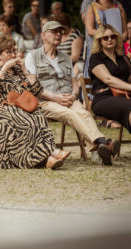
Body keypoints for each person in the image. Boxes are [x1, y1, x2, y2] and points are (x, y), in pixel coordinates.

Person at [25, 21, 119, 165]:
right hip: (45, 102)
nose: (58, 34)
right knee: (69, 114)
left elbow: (74, 83)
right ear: (43, 35)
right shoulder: (32, 57)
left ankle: (100, 152)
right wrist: (56, 98)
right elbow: (33, 86)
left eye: (60, 32)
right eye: (54, 31)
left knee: (84, 113)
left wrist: (74, 95)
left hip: (69, 98)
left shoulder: (66, 57)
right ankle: (104, 142)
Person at [0, 34, 68, 169]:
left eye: (14, 51)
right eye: (8, 52)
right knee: (27, 120)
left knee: (38, 115)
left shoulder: (17, 70)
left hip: (19, 107)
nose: (13, 54)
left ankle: (47, 156)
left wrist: (25, 71)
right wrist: (3, 70)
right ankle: (47, 156)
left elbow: (36, 90)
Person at [88, 24, 131, 148]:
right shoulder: (95, 58)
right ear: (99, 41)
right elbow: (108, 79)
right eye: (105, 38)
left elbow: (128, 78)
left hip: (123, 96)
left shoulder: (123, 58)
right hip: (103, 98)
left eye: (112, 37)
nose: (109, 40)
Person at [84, 0, 126, 78]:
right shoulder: (92, 7)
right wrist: (107, 36)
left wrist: (116, 39)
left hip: (117, 50)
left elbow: (125, 33)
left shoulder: (119, 7)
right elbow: (90, 30)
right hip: (100, 49)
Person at [54, 13, 84, 78]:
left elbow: (75, 57)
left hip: (75, 64)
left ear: (67, 25)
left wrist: (61, 63)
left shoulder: (75, 35)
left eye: (62, 28)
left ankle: (70, 85)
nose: (60, 30)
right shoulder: (58, 35)